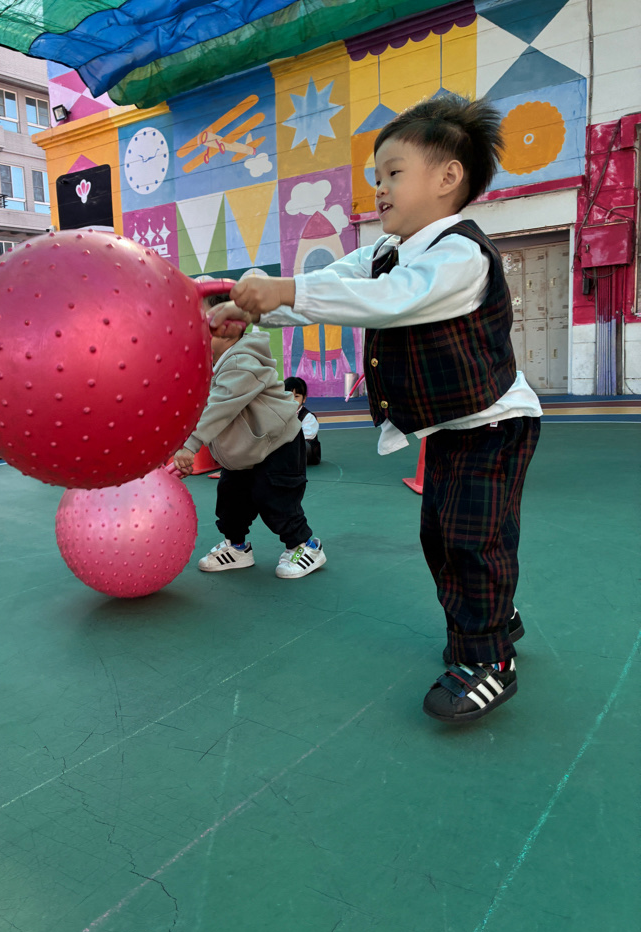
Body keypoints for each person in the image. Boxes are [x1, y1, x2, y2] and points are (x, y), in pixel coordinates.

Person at [209, 94, 542, 723]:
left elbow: (391, 300)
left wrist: (281, 289)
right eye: (376, 176)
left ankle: (489, 658)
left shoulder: (459, 255)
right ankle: (492, 614)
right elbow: (335, 285)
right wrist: (252, 310)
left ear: (447, 177)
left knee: (473, 538)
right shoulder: (385, 250)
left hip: (496, 423)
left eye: (393, 173)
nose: (379, 188)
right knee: (440, 535)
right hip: (453, 426)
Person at [173, 294, 325, 579]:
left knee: (274, 498)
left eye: (201, 321)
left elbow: (219, 407)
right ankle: (237, 547)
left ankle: (306, 545)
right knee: (231, 501)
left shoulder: (242, 361)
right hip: (244, 451)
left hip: (276, 444)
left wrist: (190, 445)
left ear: (230, 327)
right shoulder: (211, 363)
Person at [284, 376, 321, 465]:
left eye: (296, 396)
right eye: (288, 396)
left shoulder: (308, 417)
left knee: (304, 446)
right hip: (286, 448)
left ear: (304, 398)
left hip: (305, 452)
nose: (292, 400)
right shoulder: (280, 413)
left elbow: (305, 438)